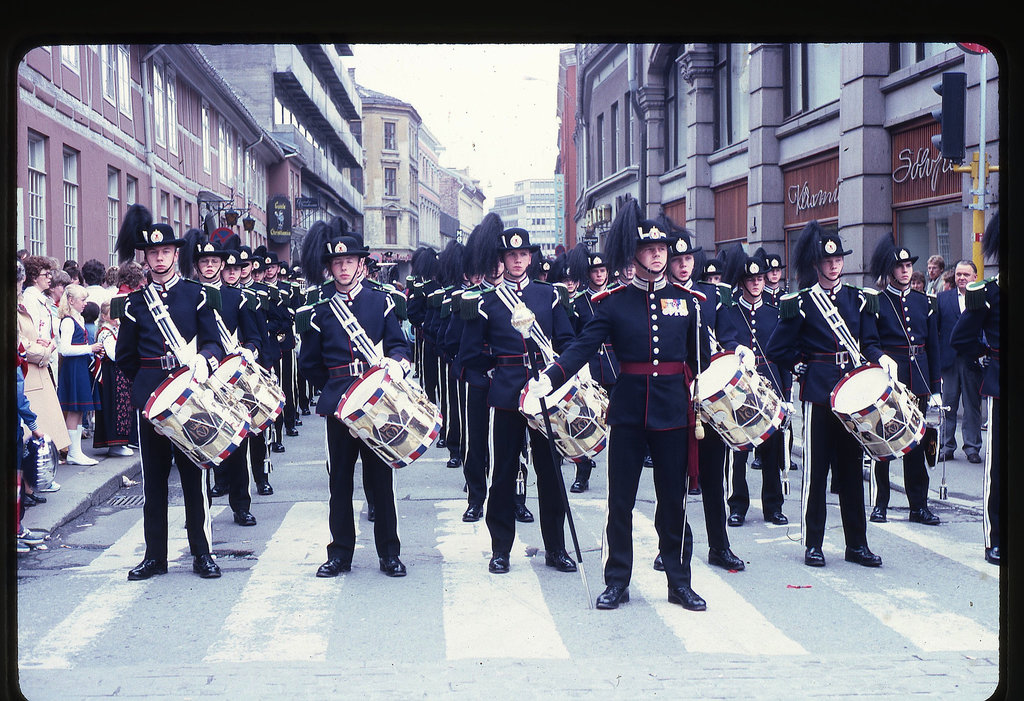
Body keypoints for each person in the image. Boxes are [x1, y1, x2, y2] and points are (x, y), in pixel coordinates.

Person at [526, 201, 708, 610]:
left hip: (673, 412)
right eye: (649, 250)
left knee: (672, 501)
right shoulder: (613, 302)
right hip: (627, 410)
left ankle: (679, 582)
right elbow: (582, 348)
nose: (659, 255)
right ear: (634, 255)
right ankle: (617, 581)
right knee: (620, 502)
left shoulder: (689, 302)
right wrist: (551, 378)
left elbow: (702, 361)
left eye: (663, 249)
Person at [765, 220, 890, 568]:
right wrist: (797, 364)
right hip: (819, 392)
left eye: (838, 260)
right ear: (817, 264)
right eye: (827, 261)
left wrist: (882, 360)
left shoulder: (858, 299)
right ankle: (813, 543)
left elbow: (870, 342)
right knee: (816, 472)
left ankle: (857, 544)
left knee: (852, 470)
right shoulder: (801, 302)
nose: (834, 265)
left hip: (851, 392)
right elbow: (777, 347)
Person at [458, 224, 577, 576]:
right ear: (502, 260)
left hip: (545, 393)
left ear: (530, 258)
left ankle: (556, 548)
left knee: (551, 473)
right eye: (511, 255)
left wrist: (557, 379)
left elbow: (568, 343)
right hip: (508, 394)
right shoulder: (486, 303)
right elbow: (471, 355)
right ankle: (500, 549)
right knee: (503, 473)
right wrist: (492, 380)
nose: (518, 260)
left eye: (523, 254)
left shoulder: (549, 295)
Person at [114, 203, 225, 580]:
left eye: (165, 252)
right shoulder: (133, 304)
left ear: (176, 254)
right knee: (155, 482)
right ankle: (155, 556)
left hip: (190, 395)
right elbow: (126, 357)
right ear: (145, 257)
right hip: (152, 402)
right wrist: (147, 387)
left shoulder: (197, 295)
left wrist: (202, 362)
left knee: (195, 478)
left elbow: (215, 344)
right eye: (152, 253)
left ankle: (202, 553)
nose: (159, 259)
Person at [297, 219, 411, 578]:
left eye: (349, 262)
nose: (343, 268)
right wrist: (333, 389)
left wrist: (396, 366)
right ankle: (340, 553)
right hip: (340, 408)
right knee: (340, 483)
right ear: (330, 268)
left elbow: (398, 345)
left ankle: (389, 553)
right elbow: (310, 363)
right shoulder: (320, 311)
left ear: (361, 264)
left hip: (376, 404)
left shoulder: (381, 302)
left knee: (382, 481)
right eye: (337, 263)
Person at [662, 222, 749, 572]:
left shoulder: (713, 296)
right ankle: (668, 546)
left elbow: (728, 336)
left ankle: (719, 546)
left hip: (710, 400)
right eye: (677, 259)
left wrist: (738, 351)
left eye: (688, 260)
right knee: (672, 478)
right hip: (675, 394)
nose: (684, 266)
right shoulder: (661, 296)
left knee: (714, 476)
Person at [866, 236, 942, 526]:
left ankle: (918, 506)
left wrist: (935, 388)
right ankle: (880, 504)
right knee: (884, 444)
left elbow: (933, 346)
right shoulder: (877, 302)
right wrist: (880, 358)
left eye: (909, 265)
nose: (905, 271)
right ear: (890, 270)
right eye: (899, 267)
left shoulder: (925, 302)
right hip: (889, 383)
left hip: (918, 379)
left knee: (916, 445)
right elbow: (870, 342)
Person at [719, 244, 792, 527]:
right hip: (740, 393)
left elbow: (783, 359)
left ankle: (773, 506)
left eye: (760, 278)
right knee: (738, 452)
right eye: (751, 280)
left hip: (770, 390)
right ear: (742, 283)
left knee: (772, 452)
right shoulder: (731, 313)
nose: (757, 283)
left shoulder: (774, 313)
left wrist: (786, 396)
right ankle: (737, 505)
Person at [950, 211, 1001, 565]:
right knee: (999, 468)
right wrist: (986, 356)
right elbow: (962, 337)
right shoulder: (988, 293)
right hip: (1002, 386)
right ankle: (994, 539)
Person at [446, 216, 503, 522]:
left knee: (513, 443)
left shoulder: (518, 298)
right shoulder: (471, 299)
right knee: (476, 440)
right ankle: (476, 497)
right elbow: (454, 340)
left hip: (510, 378)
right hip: (479, 378)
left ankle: (516, 495)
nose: (496, 268)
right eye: (491, 262)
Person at [936, 259, 984, 463]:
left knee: (972, 405)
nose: (961, 278)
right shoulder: (942, 298)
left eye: (966, 274)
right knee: (948, 405)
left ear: (975, 277)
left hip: (972, 359)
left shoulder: (982, 299)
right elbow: (936, 330)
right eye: (958, 274)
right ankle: (946, 446)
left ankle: (972, 447)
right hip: (949, 361)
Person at [56, 284, 103, 466]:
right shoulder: (68, 321)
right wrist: (89, 348)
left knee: (79, 409)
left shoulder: (77, 319)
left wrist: (90, 351)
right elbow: (65, 349)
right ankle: (74, 452)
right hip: (73, 367)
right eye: (82, 300)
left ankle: (76, 452)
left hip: (79, 366)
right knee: (75, 409)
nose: (85, 303)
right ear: (71, 300)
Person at [91, 300, 135, 457]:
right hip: (111, 375)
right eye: (112, 313)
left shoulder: (116, 330)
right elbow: (114, 355)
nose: (116, 316)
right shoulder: (105, 332)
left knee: (122, 407)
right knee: (115, 408)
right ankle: (115, 443)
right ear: (104, 316)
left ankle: (121, 441)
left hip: (118, 374)